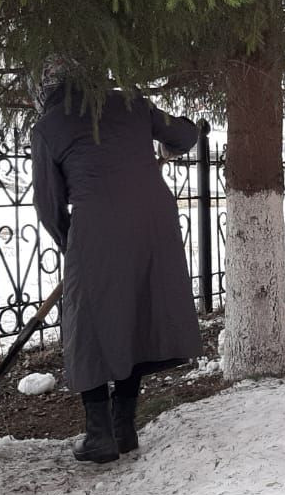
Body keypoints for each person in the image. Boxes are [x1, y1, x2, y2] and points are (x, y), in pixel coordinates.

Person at [31, 72, 203, 464]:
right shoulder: (132, 103)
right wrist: (176, 139)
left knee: (89, 326)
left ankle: (100, 434)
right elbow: (186, 137)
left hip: (97, 227)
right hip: (153, 222)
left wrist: (70, 242)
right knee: (135, 314)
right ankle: (124, 428)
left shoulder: (47, 127)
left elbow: (48, 203)